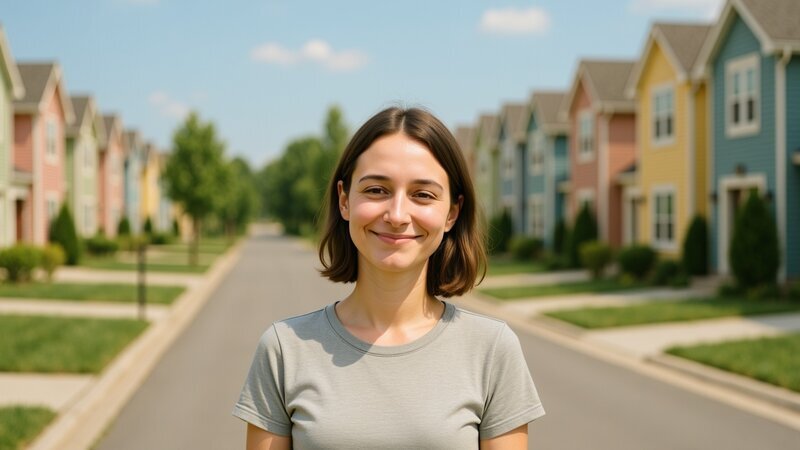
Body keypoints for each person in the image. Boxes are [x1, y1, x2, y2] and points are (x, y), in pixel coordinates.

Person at [233, 106, 544, 449]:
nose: (397, 215)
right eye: (376, 190)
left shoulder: (492, 349)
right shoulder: (283, 350)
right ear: (344, 200)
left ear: (452, 213)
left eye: (422, 195)